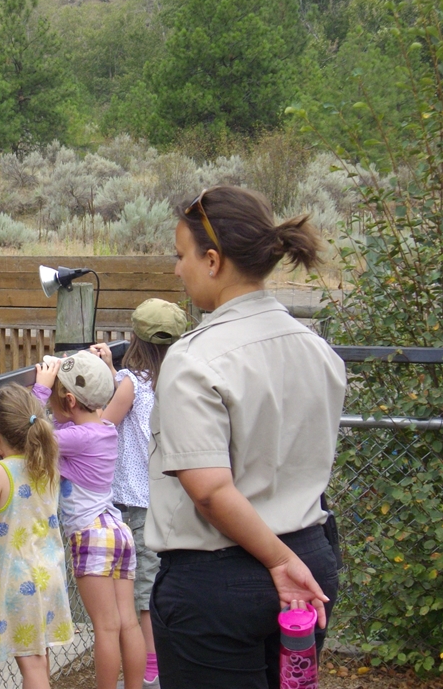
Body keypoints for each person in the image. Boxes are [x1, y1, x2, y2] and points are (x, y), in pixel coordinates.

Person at [147, 185, 346, 689]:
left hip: (222, 580)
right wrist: (289, 560)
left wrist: (278, 563)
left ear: (212, 260)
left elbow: (210, 490)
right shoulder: (316, 349)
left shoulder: (194, 358)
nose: (177, 269)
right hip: (309, 558)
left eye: (181, 255)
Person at [32, 351, 146, 689]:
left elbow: (30, 433)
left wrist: (39, 390)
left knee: (106, 626)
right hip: (118, 531)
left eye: (54, 400)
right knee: (128, 622)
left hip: (91, 534)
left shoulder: (73, 438)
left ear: (68, 400)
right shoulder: (104, 429)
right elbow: (61, 422)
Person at [91, 298, 188, 689]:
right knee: (161, 579)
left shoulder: (133, 382)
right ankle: (161, 657)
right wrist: (114, 373)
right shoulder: (179, 378)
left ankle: (151, 668)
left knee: (141, 590)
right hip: (172, 498)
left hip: (133, 502)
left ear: (134, 337)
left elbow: (104, 423)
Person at [0, 384, 74, 689]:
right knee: (39, 660)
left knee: (30, 667)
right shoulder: (46, 465)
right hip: (50, 575)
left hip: (19, 584)